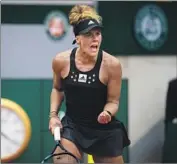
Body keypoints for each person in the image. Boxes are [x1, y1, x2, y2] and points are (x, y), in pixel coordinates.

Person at [48, 4, 130, 164]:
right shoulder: (61, 61)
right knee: (62, 161)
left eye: (97, 34)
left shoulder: (112, 65)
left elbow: (113, 101)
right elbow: (57, 89)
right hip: (73, 126)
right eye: (88, 34)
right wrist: (53, 116)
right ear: (77, 39)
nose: (95, 39)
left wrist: (107, 113)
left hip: (104, 131)